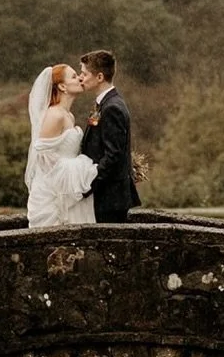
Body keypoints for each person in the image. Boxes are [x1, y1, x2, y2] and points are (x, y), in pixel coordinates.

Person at [25, 62, 97, 228]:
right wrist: (79, 170)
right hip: (53, 193)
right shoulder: (54, 115)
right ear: (63, 86)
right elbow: (43, 156)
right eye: (73, 76)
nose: (80, 78)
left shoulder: (68, 116)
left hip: (67, 187)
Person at [77, 49, 140, 222]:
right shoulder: (105, 103)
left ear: (99, 77)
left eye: (84, 73)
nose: (80, 78)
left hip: (110, 197)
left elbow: (113, 155)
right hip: (107, 196)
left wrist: (88, 184)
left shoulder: (112, 108)